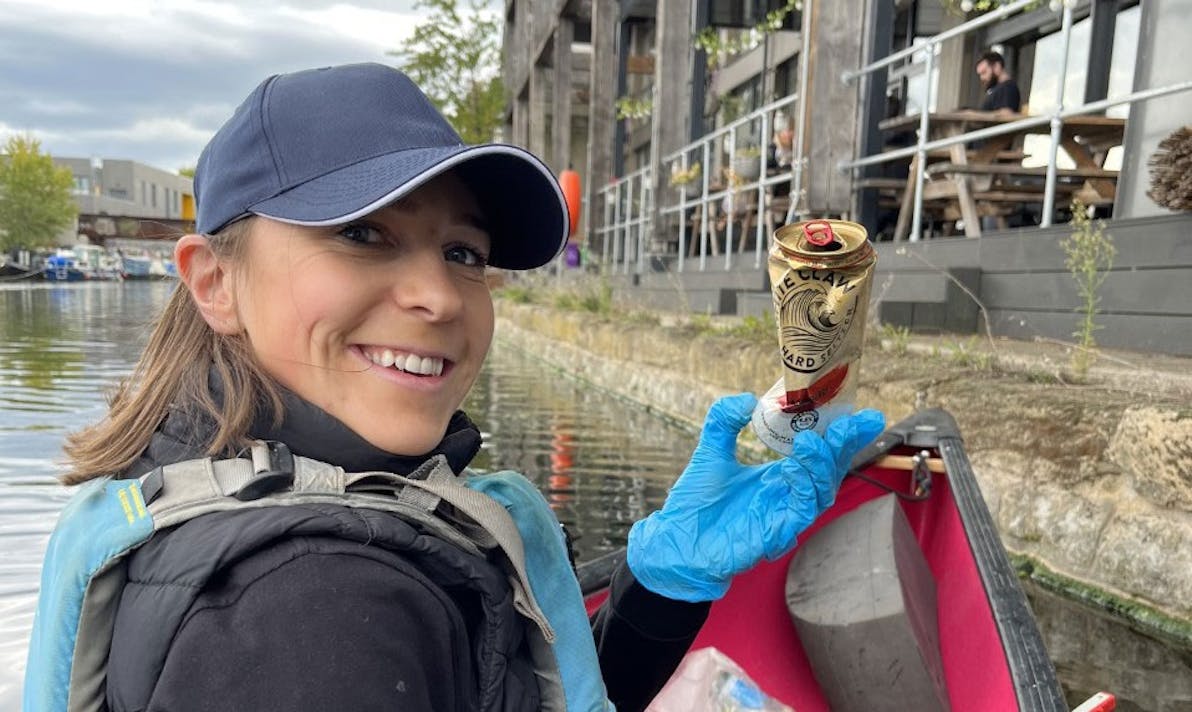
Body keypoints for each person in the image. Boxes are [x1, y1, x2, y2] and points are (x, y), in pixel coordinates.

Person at [23, 63, 884, 712]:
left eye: (463, 253)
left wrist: (664, 585)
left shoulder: (254, 485)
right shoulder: (315, 608)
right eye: (363, 234)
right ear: (214, 282)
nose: (437, 296)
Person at [975, 50, 1022, 114]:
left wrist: (974, 114)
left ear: (997, 66)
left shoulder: (1007, 87)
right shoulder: (998, 89)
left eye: (984, 72)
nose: (982, 78)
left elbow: (1006, 114)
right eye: (980, 75)